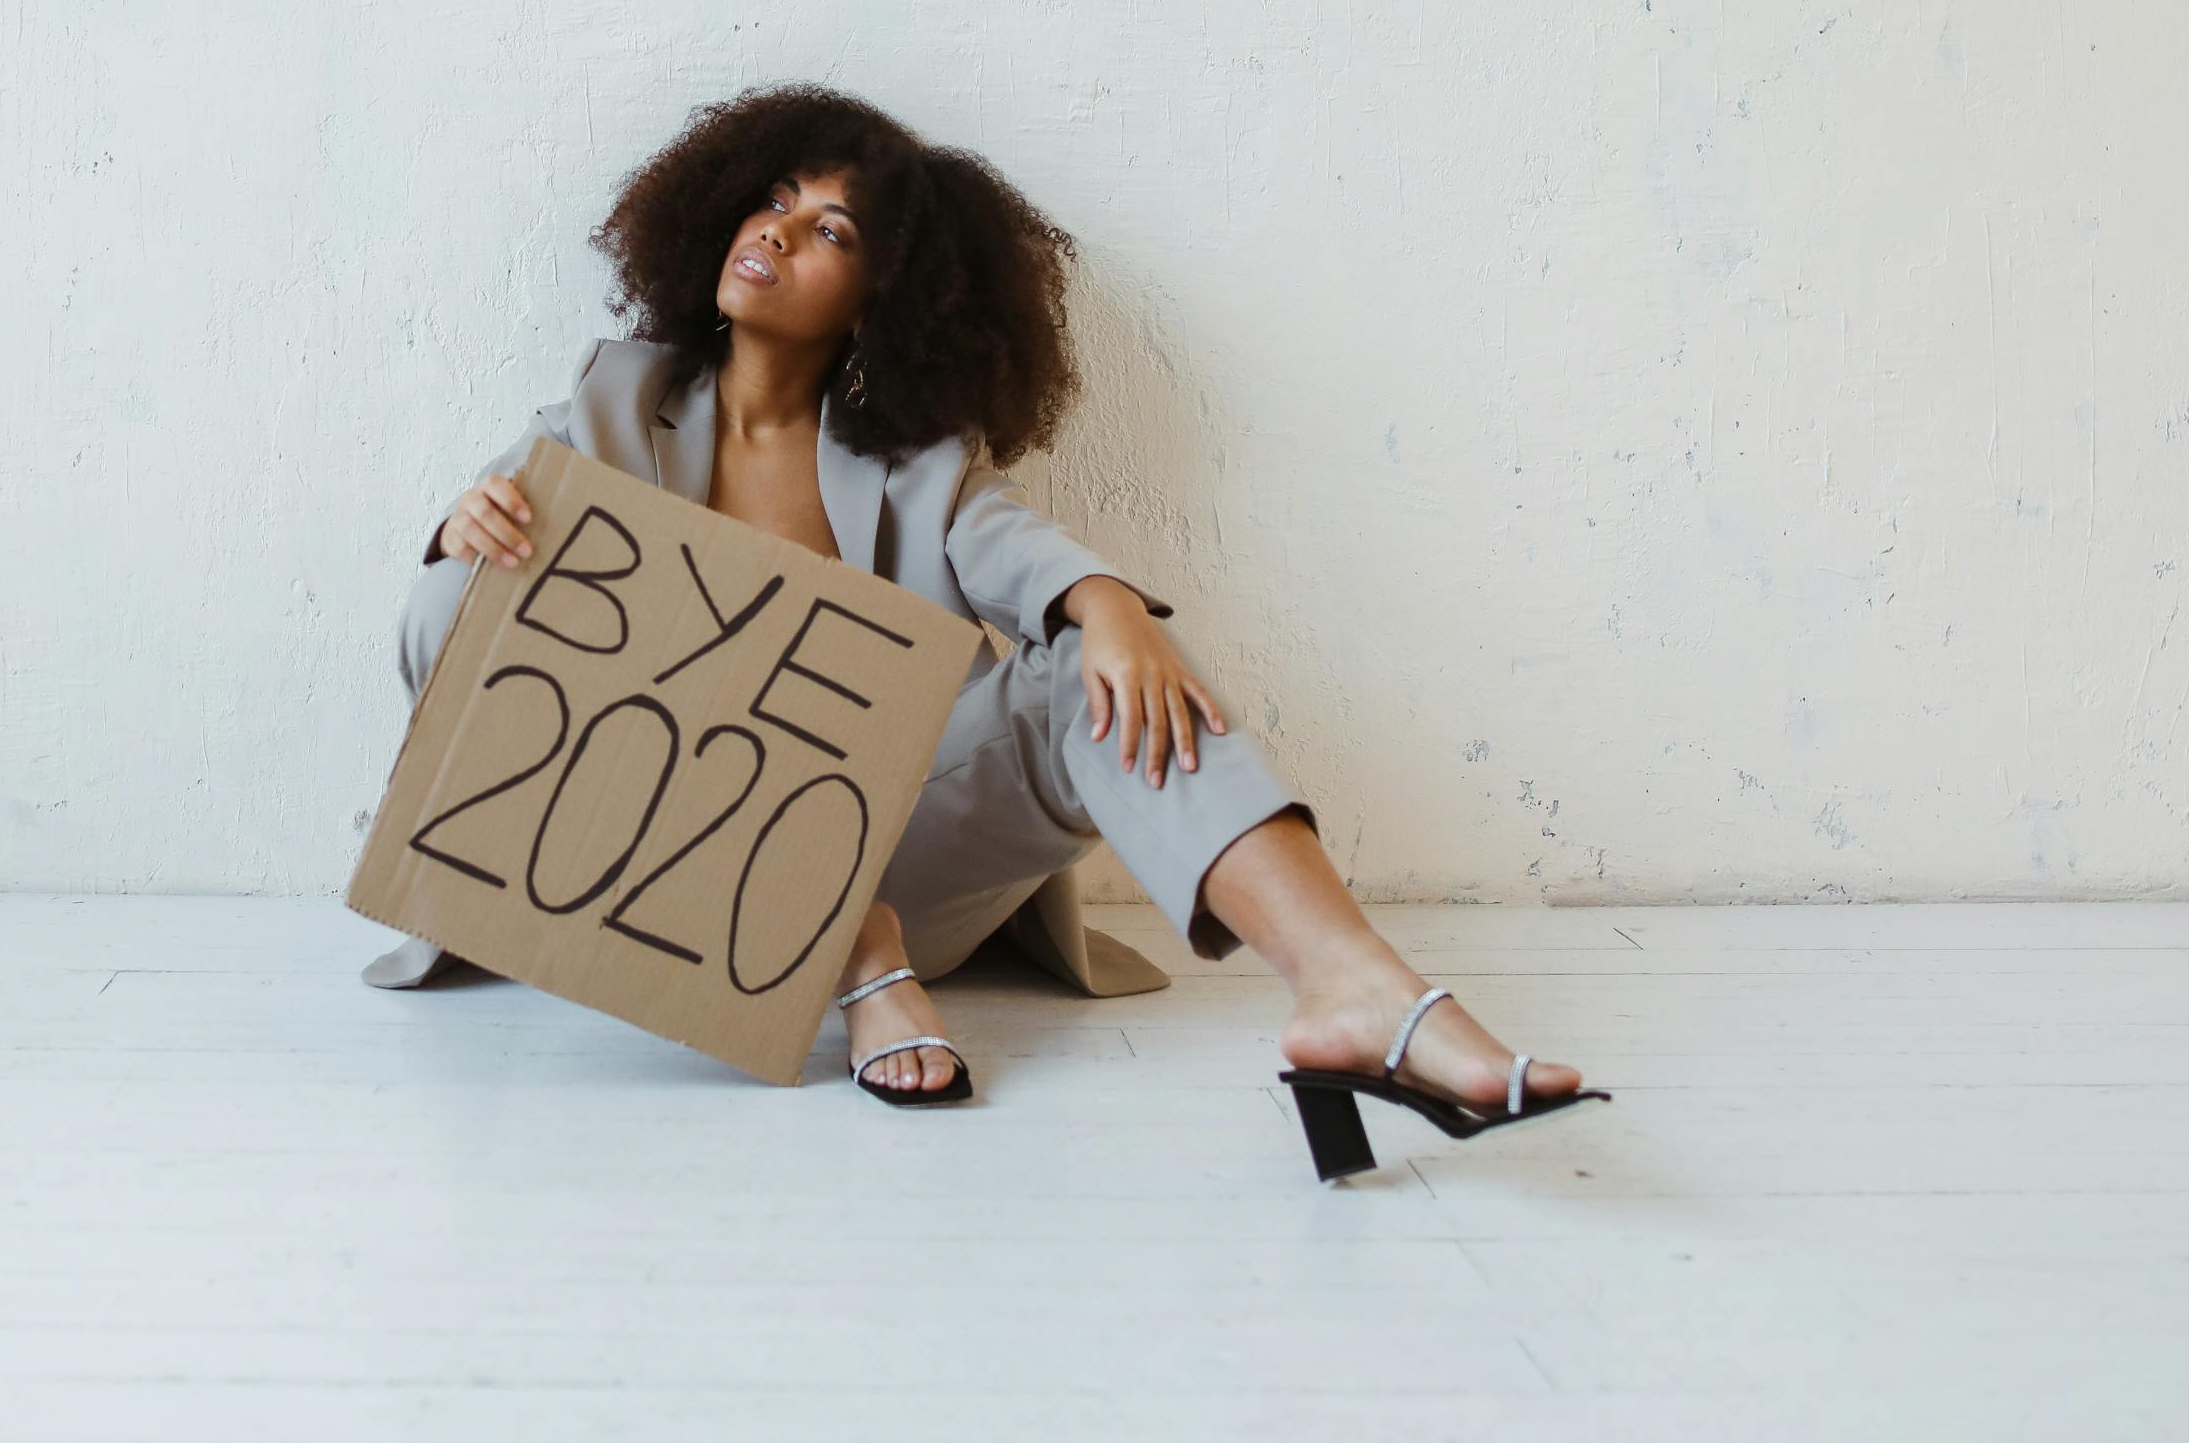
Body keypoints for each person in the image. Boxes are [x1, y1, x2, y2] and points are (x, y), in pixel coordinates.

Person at [368, 83, 1598, 1170]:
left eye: (832, 229)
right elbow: (475, 581)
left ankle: (1354, 990)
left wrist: (1106, 604)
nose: (780, 230)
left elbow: (1012, 548)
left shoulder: (920, 463)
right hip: (643, 871)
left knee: (1097, 676)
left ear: (881, 297)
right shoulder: (611, 401)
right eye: (776, 199)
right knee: (453, 597)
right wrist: (459, 525)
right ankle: (858, 956)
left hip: (896, 851)